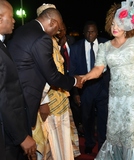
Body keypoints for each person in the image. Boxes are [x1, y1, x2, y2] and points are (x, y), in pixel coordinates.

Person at [79, 0, 134, 159]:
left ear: (128, 24)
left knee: (131, 133)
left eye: (119, 24)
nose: (115, 27)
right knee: (115, 133)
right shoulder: (105, 47)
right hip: (115, 97)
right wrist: (85, 76)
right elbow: (98, 69)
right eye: (113, 24)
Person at [7, 7, 82, 139]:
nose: (57, 32)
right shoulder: (43, 38)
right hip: (26, 97)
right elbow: (52, 76)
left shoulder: (23, 29)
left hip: (13, 93)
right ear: (52, 23)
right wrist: (75, 81)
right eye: (57, 28)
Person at [31, 4, 81, 160]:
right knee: (52, 145)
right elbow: (39, 75)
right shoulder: (41, 42)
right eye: (56, 25)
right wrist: (43, 102)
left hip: (60, 100)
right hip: (50, 104)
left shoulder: (52, 41)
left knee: (63, 145)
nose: (59, 29)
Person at [0, 1, 36, 159]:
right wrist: (21, 136)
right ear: (0, 18)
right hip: (7, 134)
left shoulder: (3, 44)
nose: (14, 20)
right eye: (11, 17)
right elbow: (1, 98)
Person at [69, 20, 109, 154]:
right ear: (83, 32)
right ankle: (90, 142)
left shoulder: (106, 44)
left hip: (103, 87)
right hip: (85, 88)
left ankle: (103, 145)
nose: (90, 34)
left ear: (97, 32)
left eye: (92, 31)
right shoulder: (76, 48)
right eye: (87, 31)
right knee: (87, 118)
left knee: (104, 118)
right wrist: (75, 92)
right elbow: (72, 71)